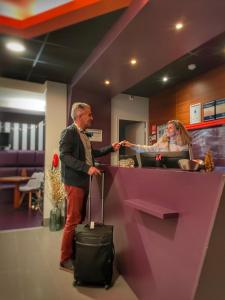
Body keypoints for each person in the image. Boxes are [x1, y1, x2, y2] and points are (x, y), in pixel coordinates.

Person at [59, 102, 120, 272]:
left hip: (83, 182)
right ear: (79, 115)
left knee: (79, 219)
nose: (91, 117)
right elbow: (64, 156)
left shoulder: (84, 135)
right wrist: (87, 168)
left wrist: (111, 148)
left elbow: (92, 154)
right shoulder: (69, 132)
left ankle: (74, 252)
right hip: (74, 183)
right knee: (72, 221)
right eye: (89, 114)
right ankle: (64, 259)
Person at [123, 119, 192, 155]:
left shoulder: (186, 145)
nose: (167, 130)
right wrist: (132, 146)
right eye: (167, 128)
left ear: (178, 130)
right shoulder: (162, 142)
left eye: (170, 128)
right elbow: (149, 149)